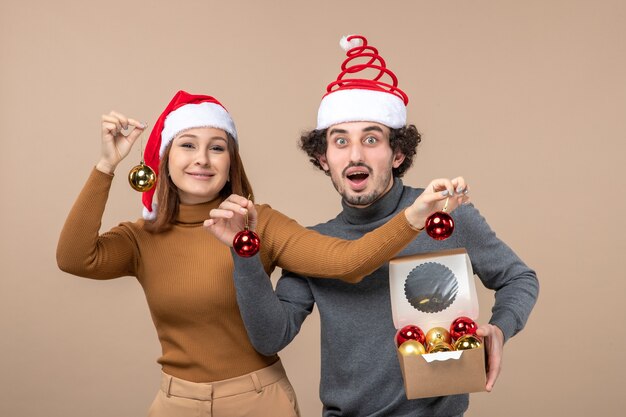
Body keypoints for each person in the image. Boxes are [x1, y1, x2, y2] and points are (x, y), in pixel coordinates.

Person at [56, 90, 467, 417]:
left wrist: (413, 215)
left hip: (258, 400)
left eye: (217, 147)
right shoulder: (140, 238)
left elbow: (349, 262)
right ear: (165, 159)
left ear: (231, 162)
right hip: (175, 402)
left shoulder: (260, 223)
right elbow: (74, 258)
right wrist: (106, 165)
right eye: (187, 145)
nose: (202, 158)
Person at [212, 35, 540, 416]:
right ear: (323, 158)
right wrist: (244, 250)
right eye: (340, 141)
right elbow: (271, 336)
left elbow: (519, 277)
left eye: (371, 139)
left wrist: (500, 329)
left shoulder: (445, 215)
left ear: (398, 153)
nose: (355, 154)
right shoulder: (316, 244)